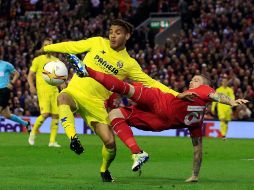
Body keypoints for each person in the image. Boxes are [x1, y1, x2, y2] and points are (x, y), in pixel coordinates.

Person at [39, 19, 185, 182]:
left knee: (110, 144)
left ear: (127, 36)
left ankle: (104, 170)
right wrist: (46, 48)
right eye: (111, 32)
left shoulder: (129, 64)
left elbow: (150, 82)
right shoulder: (98, 43)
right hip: (75, 92)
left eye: (118, 32)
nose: (113, 36)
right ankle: (73, 138)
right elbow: (71, 46)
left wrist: (176, 94)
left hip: (96, 104)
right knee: (62, 97)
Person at [74, 63, 248, 183]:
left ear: (204, 85)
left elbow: (215, 96)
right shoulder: (197, 121)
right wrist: (195, 175)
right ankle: (137, 152)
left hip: (159, 102)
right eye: (192, 80)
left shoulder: (203, 90)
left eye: (195, 80)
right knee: (114, 114)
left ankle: (87, 70)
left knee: (125, 88)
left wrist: (231, 102)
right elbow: (198, 150)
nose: (191, 81)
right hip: (160, 123)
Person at [27, 38, 61, 147]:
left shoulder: (56, 60)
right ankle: (33, 132)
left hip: (54, 90)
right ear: (43, 47)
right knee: (45, 114)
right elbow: (30, 75)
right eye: (46, 45)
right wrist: (31, 86)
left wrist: (62, 84)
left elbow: (59, 76)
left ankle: (52, 141)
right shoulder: (37, 60)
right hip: (43, 91)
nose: (47, 47)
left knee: (56, 115)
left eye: (50, 45)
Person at [0, 60, 31, 132]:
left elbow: (17, 74)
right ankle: (26, 124)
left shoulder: (6, 64)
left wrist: (11, 83)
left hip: (4, 90)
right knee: (7, 115)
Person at [211, 75, 235, 140]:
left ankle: (225, 134)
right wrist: (213, 108)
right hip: (220, 107)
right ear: (221, 82)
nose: (224, 83)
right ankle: (223, 135)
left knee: (226, 122)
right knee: (222, 119)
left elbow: (232, 97)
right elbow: (215, 99)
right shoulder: (218, 90)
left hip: (227, 108)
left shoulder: (230, 90)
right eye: (223, 81)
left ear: (227, 82)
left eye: (226, 81)